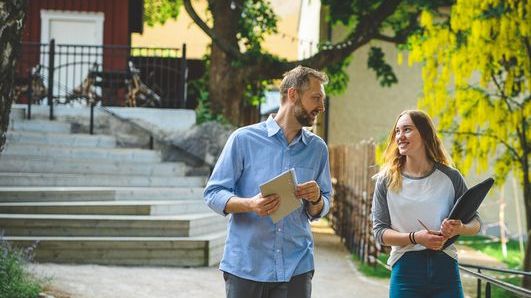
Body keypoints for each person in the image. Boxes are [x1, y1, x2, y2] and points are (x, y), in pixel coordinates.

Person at [204, 65, 332, 298]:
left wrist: (316, 199)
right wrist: (250, 204)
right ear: (292, 94)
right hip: (246, 265)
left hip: (296, 267)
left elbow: (323, 204)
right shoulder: (243, 139)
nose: (321, 107)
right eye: (315, 98)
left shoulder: (317, 149)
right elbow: (213, 193)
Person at [371, 110, 482, 298]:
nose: (400, 136)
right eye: (397, 131)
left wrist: (460, 228)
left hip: (445, 268)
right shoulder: (386, 180)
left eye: (407, 129)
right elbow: (380, 232)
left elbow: (476, 223)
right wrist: (416, 237)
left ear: (425, 134)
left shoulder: (451, 177)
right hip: (405, 270)